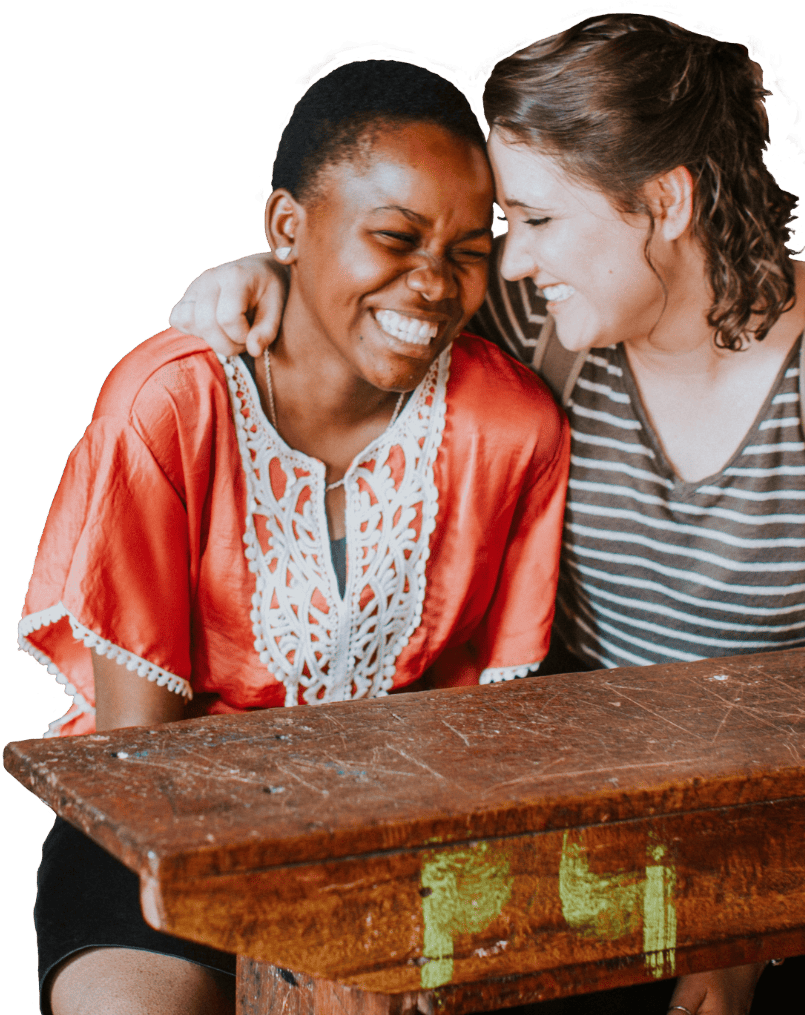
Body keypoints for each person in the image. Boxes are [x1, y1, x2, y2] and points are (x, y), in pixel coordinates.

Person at [172, 15, 805, 1014]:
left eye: (539, 221)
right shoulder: (542, 323)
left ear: (665, 200)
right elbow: (364, 300)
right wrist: (260, 280)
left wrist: (733, 932)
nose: (510, 262)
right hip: (584, 833)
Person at [20, 60, 569, 1015]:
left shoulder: (514, 426)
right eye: (395, 237)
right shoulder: (171, 403)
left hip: (408, 841)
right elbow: (141, 764)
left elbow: (486, 740)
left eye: (470, 248)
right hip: (165, 835)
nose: (436, 284)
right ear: (285, 230)